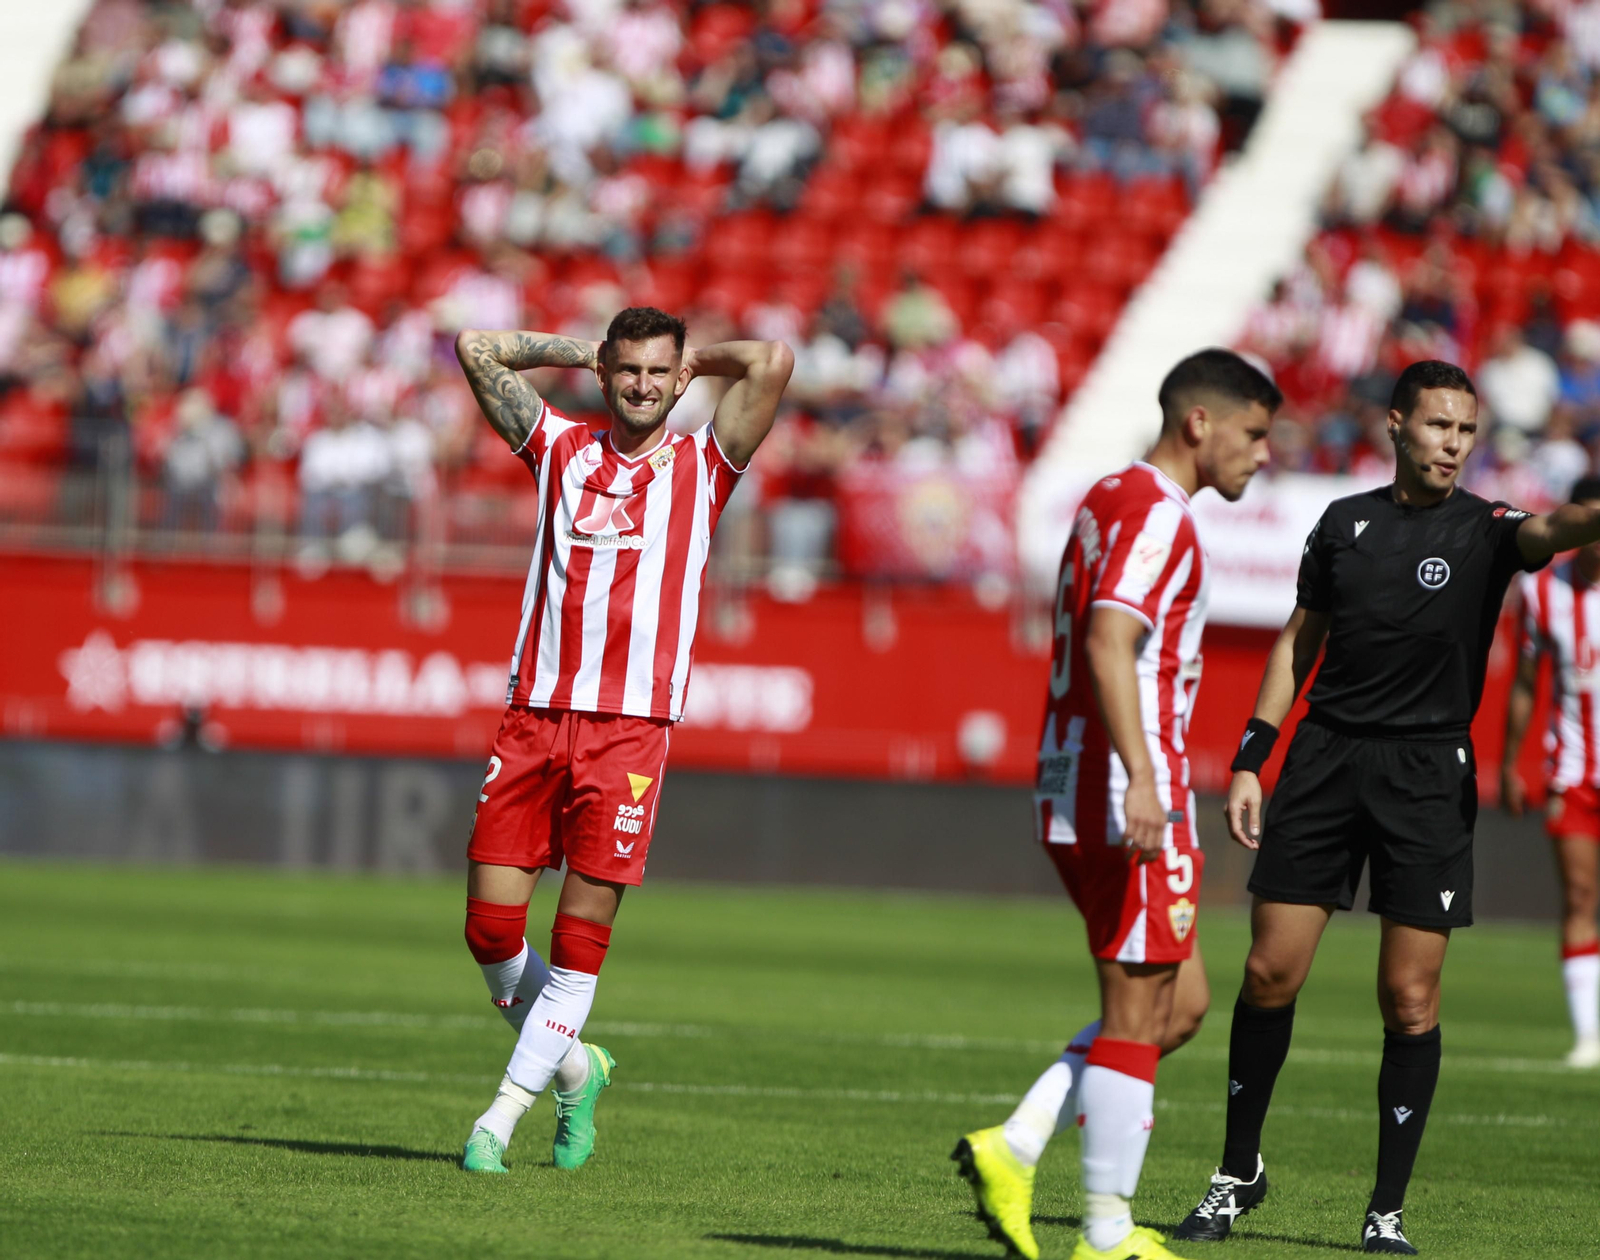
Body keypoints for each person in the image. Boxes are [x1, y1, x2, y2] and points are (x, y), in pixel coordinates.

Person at [1173, 360, 1600, 1255]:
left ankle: (1385, 1211)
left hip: (1426, 778)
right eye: (1439, 426)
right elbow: (1300, 640)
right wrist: (1255, 755)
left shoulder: (1489, 530)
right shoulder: (1343, 524)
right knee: (1267, 975)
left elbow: (1563, 525)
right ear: (1398, 424)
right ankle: (1236, 1173)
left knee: (1409, 999)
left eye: (1467, 432)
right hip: (1324, 763)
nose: (1453, 444)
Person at [953, 349, 1281, 1260]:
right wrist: (1142, 775)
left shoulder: (1105, 497)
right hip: (1125, 784)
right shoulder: (1155, 515)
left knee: (1178, 1005)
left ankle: (1014, 1146)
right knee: (1141, 1012)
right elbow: (1109, 638)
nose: (1263, 453)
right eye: (1254, 433)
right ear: (1199, 424)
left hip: (1074, 774)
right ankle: (1105, 1232)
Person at [453, 306, 793, 1174]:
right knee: (491, 932)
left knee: (575, 943)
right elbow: (476, 348)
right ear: (606, 375)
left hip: (631, 733)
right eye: (627, 370)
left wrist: (688, 364)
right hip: (532, 716)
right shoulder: (560, 449)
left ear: (681, 381)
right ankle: (577, 1066)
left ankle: (501, 1117)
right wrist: (590, 353)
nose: (642, 386)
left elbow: (771, 360)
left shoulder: (704, 464)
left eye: (658, 373)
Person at [1501, 475, 1600, 1070]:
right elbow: (1523, 683)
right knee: (1582, 895)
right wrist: (1513, 763)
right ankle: (1589, 1036)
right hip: (1571, 771)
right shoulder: (1541, 593)